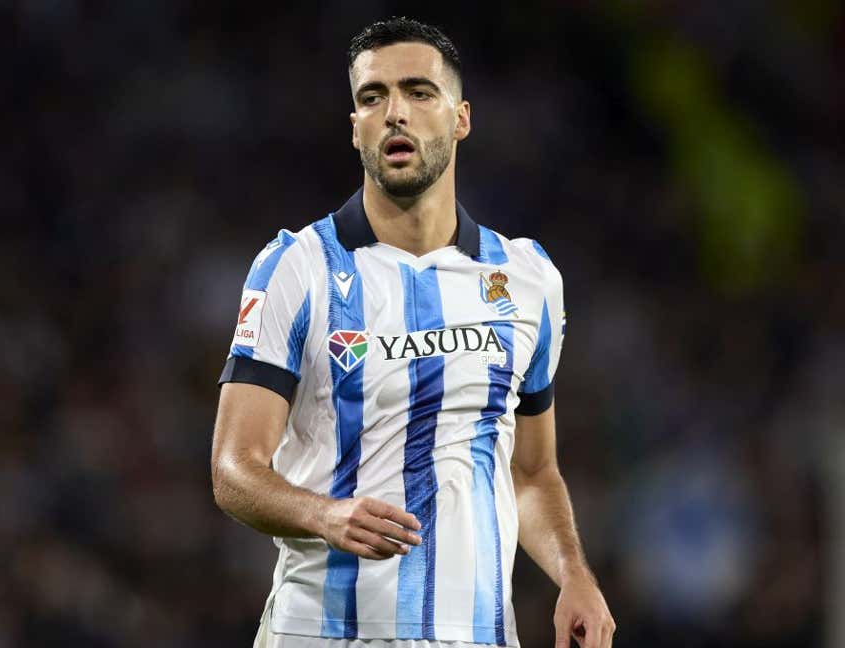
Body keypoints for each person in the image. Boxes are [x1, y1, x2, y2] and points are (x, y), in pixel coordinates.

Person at [211, 17, 615, 648]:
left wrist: (574, 576)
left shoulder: (528, 278)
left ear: (460, 118)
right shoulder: (298, 267)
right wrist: (324, 515)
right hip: (324, 632)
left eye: (419, 92)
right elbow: (234, 469)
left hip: (477, 636)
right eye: (373, 98)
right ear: (355, 128)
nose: (394, 112)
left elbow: (532, 472)